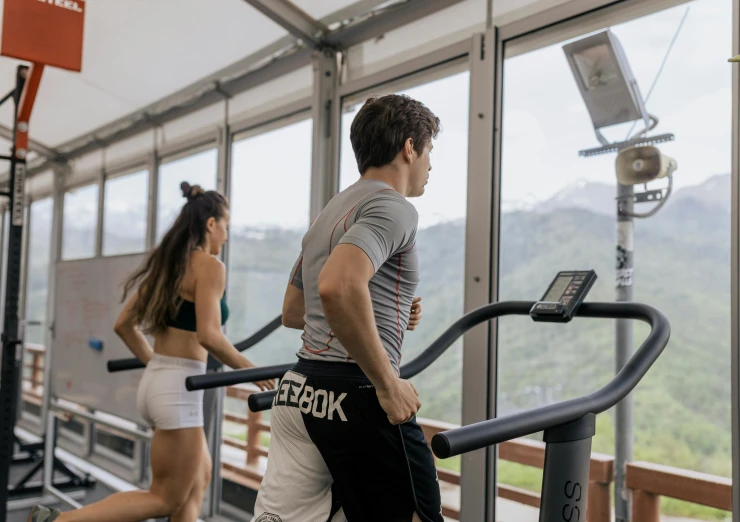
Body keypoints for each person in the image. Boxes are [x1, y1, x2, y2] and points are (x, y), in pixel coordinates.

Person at [28, 183, 274, 522]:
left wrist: (156, 365)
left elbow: (123, 325)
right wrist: (254, 371)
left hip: (160, 381)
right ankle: (57, 521)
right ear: (211, 224)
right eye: (227, 227)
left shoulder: (167, 267)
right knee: (164, 499)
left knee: (198, 479)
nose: (227, 237)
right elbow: (209, 335)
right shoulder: (210, 267)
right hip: (179, 389)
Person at [252, 94, 442, 522]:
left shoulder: (331, 211)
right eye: (429, 151)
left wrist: (385, 311)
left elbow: (296, 310)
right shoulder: (395, 206)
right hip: (354, 393)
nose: (430, 165)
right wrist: (388, 385)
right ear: (409, 148)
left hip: (299, 390)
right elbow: (338, 287)